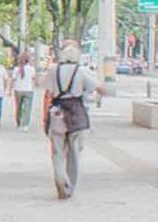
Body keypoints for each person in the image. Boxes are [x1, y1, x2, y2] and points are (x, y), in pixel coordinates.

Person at [42, 39, 109, 198]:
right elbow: (101, 89)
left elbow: (48, 95)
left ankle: (60, 179)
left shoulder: (53, 71)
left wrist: (45, 118)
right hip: (76, 115)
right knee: (74, 153)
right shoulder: (82, 71)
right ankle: (69, 186)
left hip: (57, 113)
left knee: (57, 153)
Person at [11, 49, 36, 131]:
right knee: (27, 108)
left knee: (18, 107)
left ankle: (19, 123)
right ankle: (26, 125)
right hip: (28, 90)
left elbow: (13, 79)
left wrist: (10, 89)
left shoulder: (16, 69)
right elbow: (34, 78)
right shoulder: (31, 69)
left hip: (18, 90)